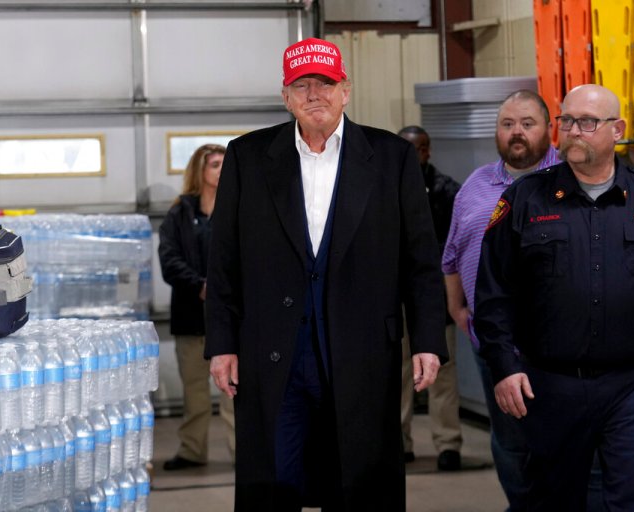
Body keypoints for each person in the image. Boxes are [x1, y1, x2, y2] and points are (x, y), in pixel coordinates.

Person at [204, 37, 447, 511]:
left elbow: (419, 260)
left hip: (363, 354)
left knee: (359, 480)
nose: (316, 93)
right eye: (303, 84)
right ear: (286, 97)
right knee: (274, 479)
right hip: (273, 354)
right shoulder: (248, 157)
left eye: (326, 83)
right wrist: (222, 344)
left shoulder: (391, 157)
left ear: (346, 90)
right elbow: (224, 260)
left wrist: (429, 340)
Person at [474, 84, 634, 510]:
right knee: (553, 501)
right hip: (550, 385)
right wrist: (503, 365)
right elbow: (493, 293)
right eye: (566, 121)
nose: (574, 131)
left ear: (618, 129)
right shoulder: (524, 199)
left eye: (587, 122)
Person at [441, 89, 558, 509]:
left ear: (549, 129)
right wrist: (458, 309)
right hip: (494, 343)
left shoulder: (568, 179)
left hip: (558, 344)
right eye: (508, 124)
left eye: (528, 123)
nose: (517, 133)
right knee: (510, 441)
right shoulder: (476, 185)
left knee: (564, 437)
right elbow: (452, 254)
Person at [158, 143, 235, 470]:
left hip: (232, 317)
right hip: (192, 314)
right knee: (195, 392)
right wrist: (199, 284)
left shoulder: (240, 206)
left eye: (225, 164)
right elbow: (169, 259)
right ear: (200, 171)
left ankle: (244, 455)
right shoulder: (180, 212)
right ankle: (192, 450)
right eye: (215, 165)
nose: (221, 170)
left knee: (235, 393)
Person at [397, 125, 463, 471]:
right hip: (392, 300)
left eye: (420, 149)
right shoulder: (380, 184)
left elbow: (455, 246)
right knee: (398, 372)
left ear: (428, 151)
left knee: (442, 372)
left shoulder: (446, 190)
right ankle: (400, 442)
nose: (415, 155)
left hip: (435, 298)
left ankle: (447, 443)